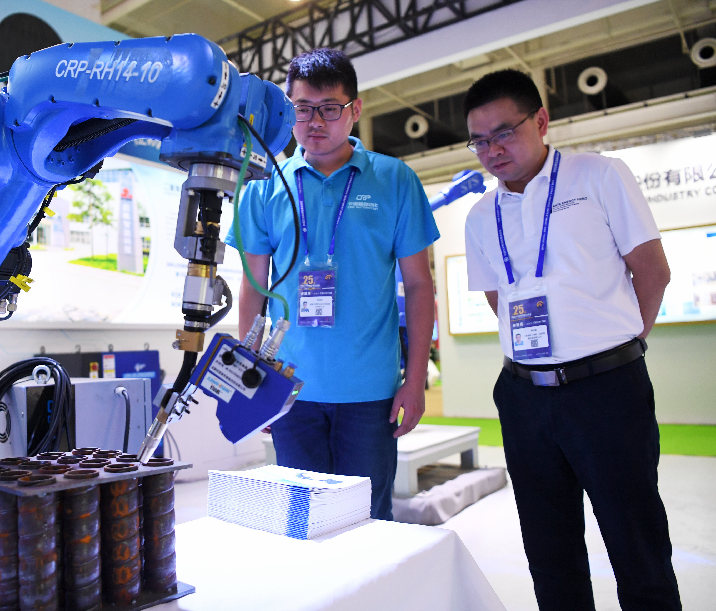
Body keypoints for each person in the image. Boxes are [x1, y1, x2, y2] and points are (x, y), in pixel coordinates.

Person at [463, 69, 681, 610]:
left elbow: (652, 271)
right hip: (523, 397)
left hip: (608, 390)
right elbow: (498, 300)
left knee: (636, 542)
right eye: (479, 141)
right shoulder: (480, 216)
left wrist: (619, 346)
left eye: (504, 133)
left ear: (540, 120)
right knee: (549, 550)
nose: (492, 150)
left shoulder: (599, 176)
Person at [226, 48, 439, 520]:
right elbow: (253, 287)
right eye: (303, 108)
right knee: (304, 522)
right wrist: (252, 379)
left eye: (329, 108)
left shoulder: (394, 179)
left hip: (371, 393)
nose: (315, 122)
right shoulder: (264, 185)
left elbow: (419, 286)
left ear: (355, 109)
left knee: (369, 523)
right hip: (291, 390)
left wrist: (416, 380)